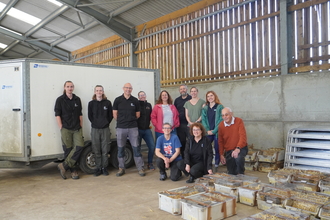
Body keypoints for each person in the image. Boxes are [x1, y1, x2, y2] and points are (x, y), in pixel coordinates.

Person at [113, 83, 145, 177]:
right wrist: (122, 121)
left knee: (136, 148)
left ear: (132, 89)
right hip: (121, 128)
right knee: (121, 149)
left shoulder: (135, 100)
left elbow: (138, 114)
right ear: (123, 88)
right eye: (126, 88)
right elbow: (115, 114)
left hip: (132, 128)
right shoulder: (118, 100)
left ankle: (140, 168)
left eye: (130, 88)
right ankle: (121, 168)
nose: (128, 89)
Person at [54, 81, 84, 180]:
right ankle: (73, 171)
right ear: (64, 87)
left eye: (71, 86)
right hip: (66, 128)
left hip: (77, 128)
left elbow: (80, 114)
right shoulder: (60, 100)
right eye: (68, 86)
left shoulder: (77, 99)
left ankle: (64, 166)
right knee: (68, 149)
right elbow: (57, 114)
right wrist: (61, 126)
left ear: (73, 87)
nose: (70, 88)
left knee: (79, 146)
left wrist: (81, 125)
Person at [88, 85, 113, 176]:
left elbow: (110, 116)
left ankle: (104, 168)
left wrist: (105, 123)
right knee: (96, 150)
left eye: (100, 90)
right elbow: (90, 116)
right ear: (95, 92)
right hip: (95, 129)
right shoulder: (91, 103)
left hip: (105, 129)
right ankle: (98, 168)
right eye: (97, 90)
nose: (99, 92)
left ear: (103, 92)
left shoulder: (108, 103)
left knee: (105, 150)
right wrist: (96, 124)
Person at [218, 107, 248, 175]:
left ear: (231, 114)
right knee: (231, 173)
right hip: (229, 150)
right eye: (223, 115)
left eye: (226, 114)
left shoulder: (239, 121)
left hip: (241, 147)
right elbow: (220, 141)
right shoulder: (221, 125)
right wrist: (221, 154)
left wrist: (238, 148)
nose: (225, 117)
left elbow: (243, 136)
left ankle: (241, 174)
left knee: (238, 158)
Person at [201, 91, 224, 171]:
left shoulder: (220, 107)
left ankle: (216, 165)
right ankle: (206, 165)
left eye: (211, 95)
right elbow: (203, 120)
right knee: (205, 148)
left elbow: (221, 120)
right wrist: (207, 130)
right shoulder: (205, 108)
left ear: (215, 96)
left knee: (217, 148)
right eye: (208, 96)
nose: (210, 97)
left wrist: (214, 131)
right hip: (208, 132)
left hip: (217, 132)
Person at [137, 91, 155, 170]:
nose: (142, 96)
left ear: (145, 96)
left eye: (143, 95)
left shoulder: (149, 105)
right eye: (140, 95)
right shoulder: (136, 105)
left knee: (152, 146)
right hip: (138, 130)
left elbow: (152, 116)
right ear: (138, 97)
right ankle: (140, 165)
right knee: (138, 148)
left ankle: (150, 163)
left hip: (147, 130)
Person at [174, 84, 192, 157]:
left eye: (184, 89)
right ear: (179, 91)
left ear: (187, 90)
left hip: (190, 124)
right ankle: (184, 157)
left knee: (191, 140)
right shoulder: (177, 100)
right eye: (181, 89)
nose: (182, 90)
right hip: (180, 124)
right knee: (182, 141)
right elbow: (175, 111)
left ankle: (191, 156)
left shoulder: (191, 98)